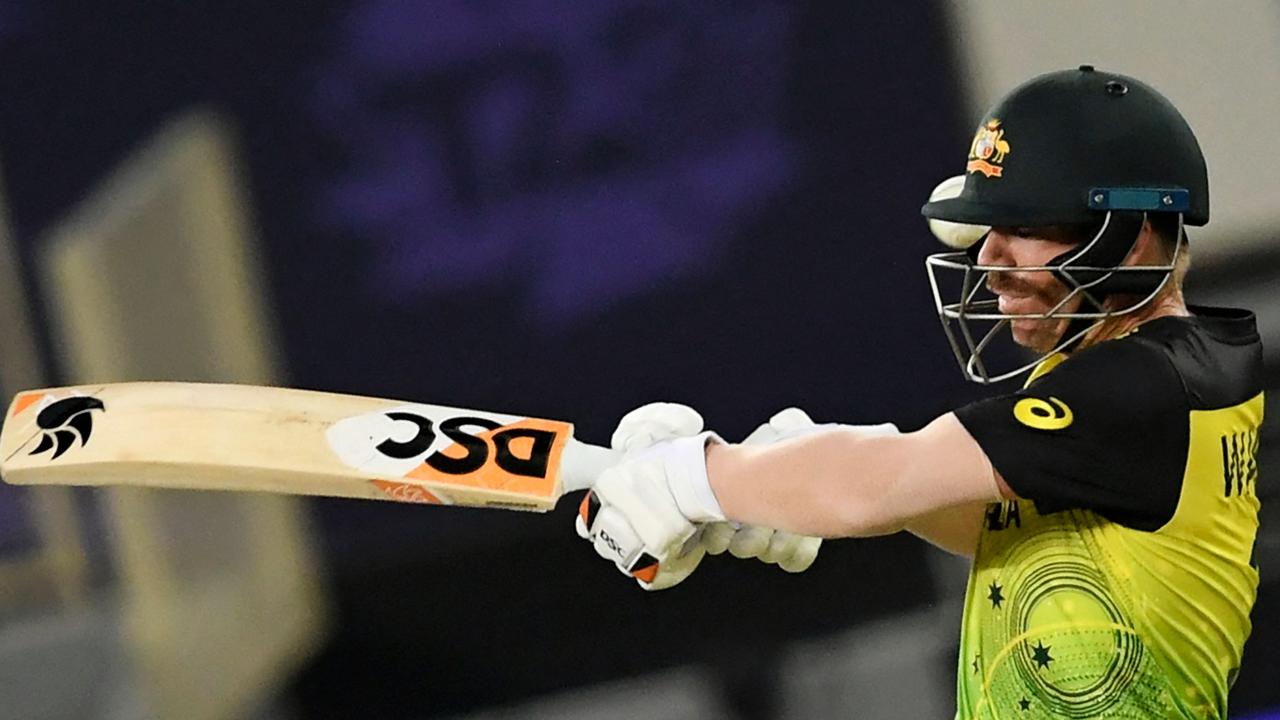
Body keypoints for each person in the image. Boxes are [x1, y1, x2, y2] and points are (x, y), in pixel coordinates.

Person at [575, 66, 1265, 719]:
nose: (989, 262)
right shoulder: (1160, 373)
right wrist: (775, 484)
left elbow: (886, 481)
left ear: (1135, 234)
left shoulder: (1138, 388)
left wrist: (697, 476)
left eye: (1022, 228)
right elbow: (993, 523)